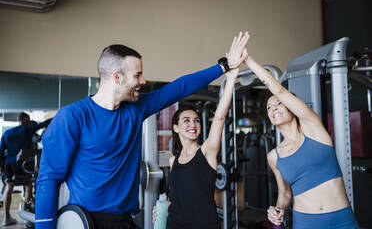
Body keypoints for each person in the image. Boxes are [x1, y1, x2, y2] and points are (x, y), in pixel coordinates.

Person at [35, 32, 250, 229]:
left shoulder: (136, 109)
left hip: (125, 220)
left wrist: (223, 67)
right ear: (117, 77)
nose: (143, 81)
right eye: (137, 75)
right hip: (88, 220)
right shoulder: (72, 117)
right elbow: (48, 179)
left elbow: (178, 87)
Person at [243, 53, 359, 228]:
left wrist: (248, 61)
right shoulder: (274, 156)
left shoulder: (314, 130)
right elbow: (285, 194)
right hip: (305, 222)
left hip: (341, 220)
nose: (273, 107)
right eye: (269, 107)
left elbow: (279, 90)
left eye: (279, 103)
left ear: (292, 105)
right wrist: (277, 210)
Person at [159, 36, 246, 229]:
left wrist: (231, 79)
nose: (193, 124)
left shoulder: (207, 152)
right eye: (186, 121)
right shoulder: (173, 161)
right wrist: (164, 208)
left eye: (196, 120)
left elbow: (220, 118)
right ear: (175, 127)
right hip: (174, 224)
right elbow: (177, 196)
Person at [0, 112, 51, 226]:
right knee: (28, 185)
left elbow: (1, 150)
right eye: (28, 118)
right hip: (21, 162)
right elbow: (43, 124)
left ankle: (6, 218)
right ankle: (28, 218)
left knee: (9, 187)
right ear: (25, 119)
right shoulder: (27, 129)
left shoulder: (7, 132)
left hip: (8, 164)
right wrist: (56, 118)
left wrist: (1, 166)